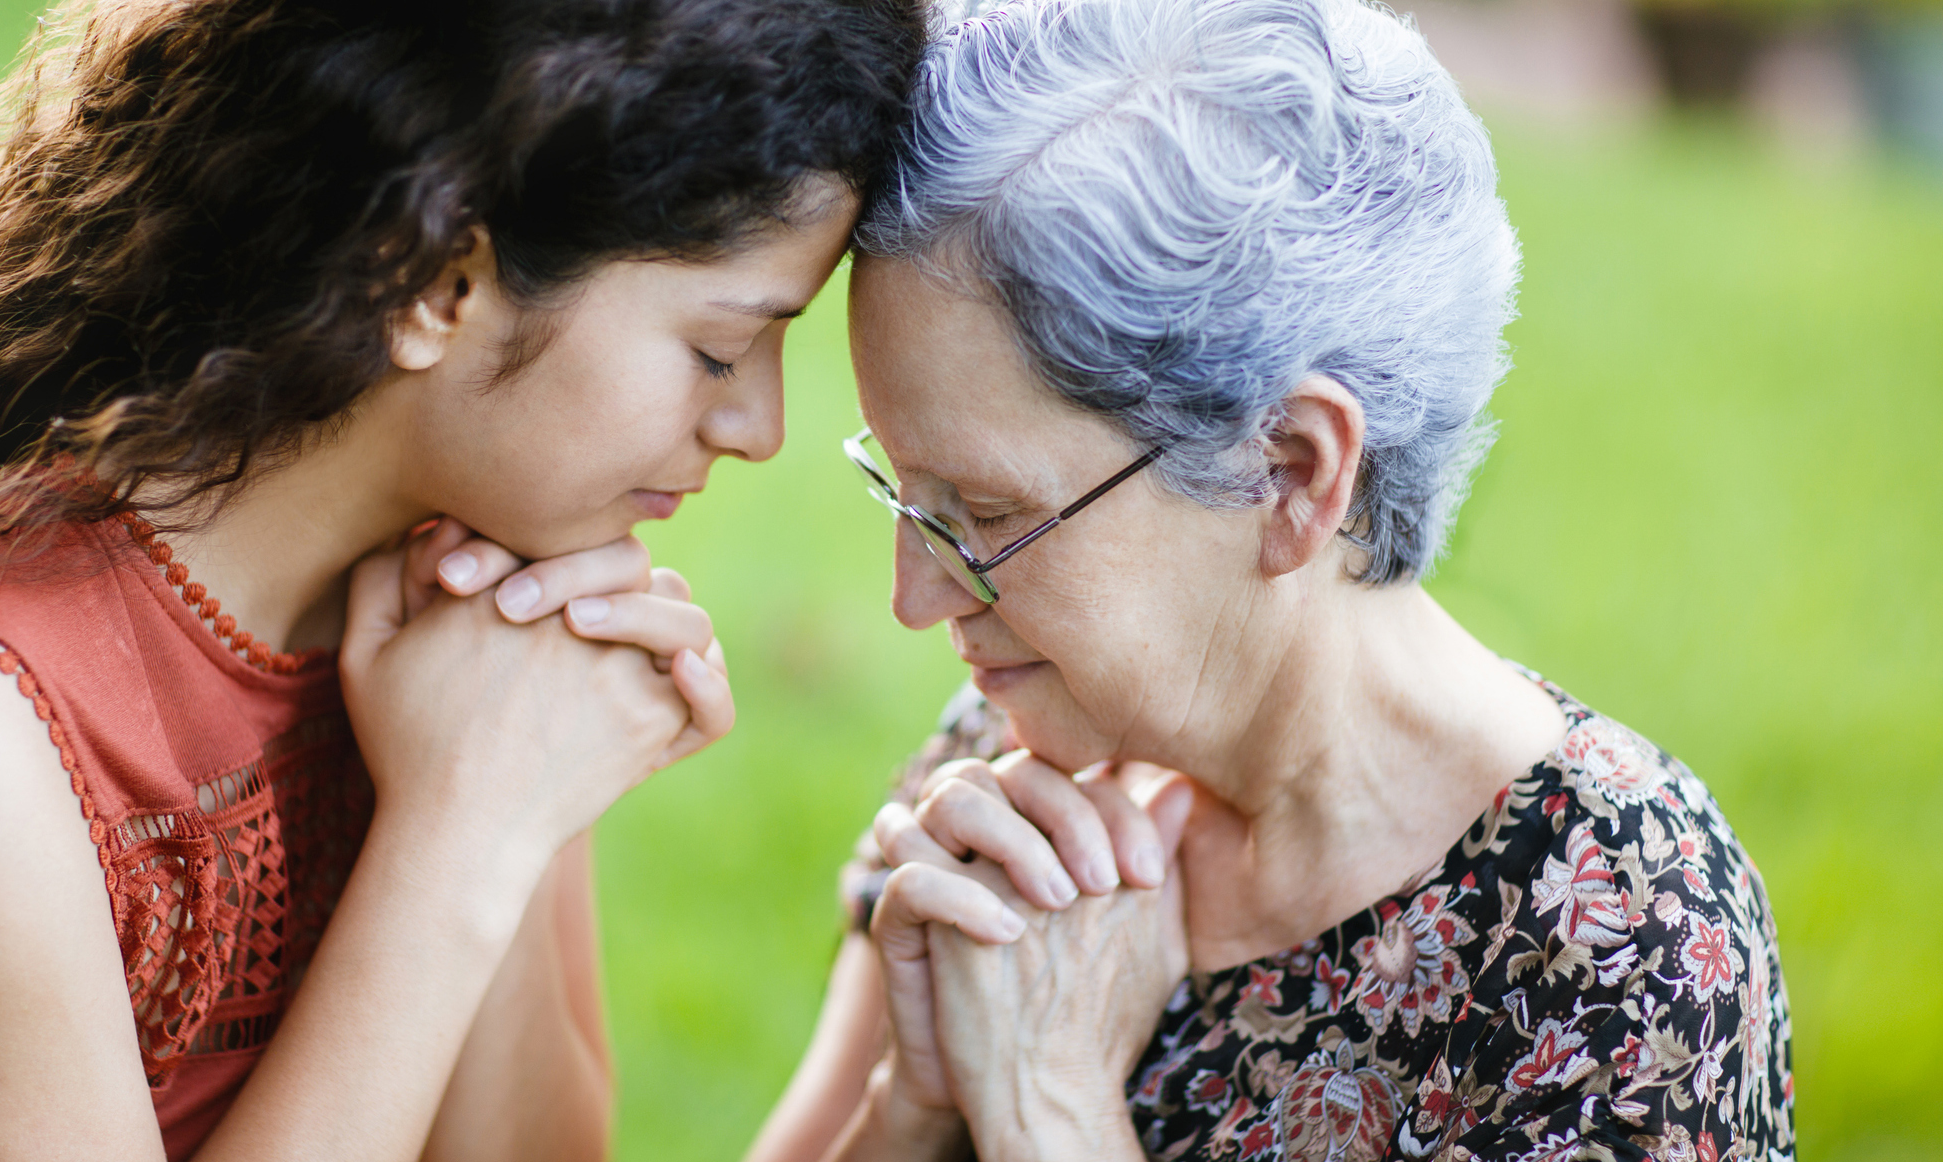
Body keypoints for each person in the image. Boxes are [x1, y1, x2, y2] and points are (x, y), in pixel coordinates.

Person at [0, 0, 920, 1157]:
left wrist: (496, 799)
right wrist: (456, 833)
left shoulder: (481, 597)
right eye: (720, 348)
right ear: (432, 282)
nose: (760, 425)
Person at [746, 0, 1796, 1159]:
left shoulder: (1618, 944)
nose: (916, 597)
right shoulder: (1017, 753)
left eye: (985, 514)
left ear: (1291, 472)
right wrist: (917, 1104)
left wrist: (1048, 1108)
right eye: (905, 495)